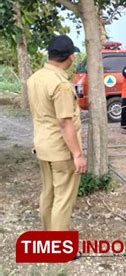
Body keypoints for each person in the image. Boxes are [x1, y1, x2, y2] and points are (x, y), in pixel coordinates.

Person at [27, 35, 87, 231]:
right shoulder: (60, 84)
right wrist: (77, 155)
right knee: (63, 198)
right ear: (70, 57)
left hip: (43, 146)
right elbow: (64, 122)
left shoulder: (35, 78)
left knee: (48, 193)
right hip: (61, 150)